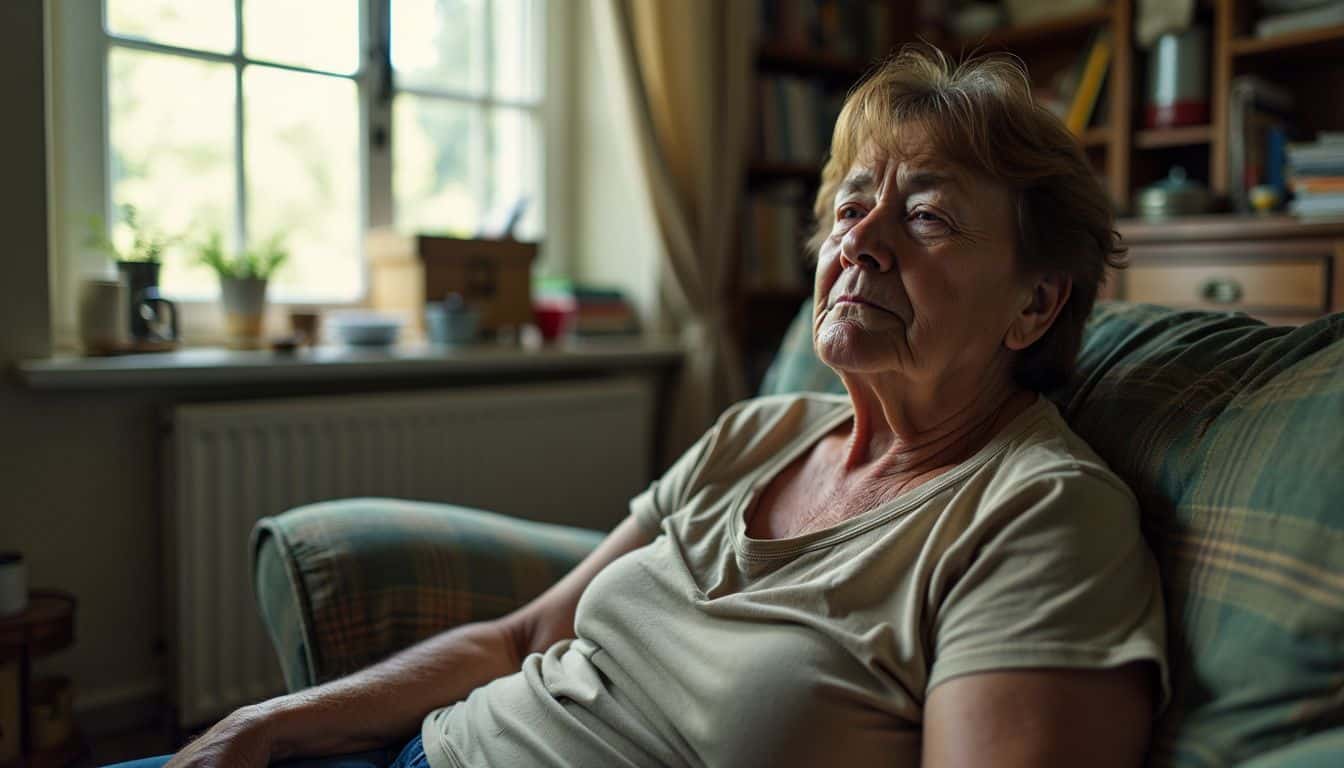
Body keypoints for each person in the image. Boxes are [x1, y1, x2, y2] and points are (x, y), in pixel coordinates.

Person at [111, 45, 1167, 768]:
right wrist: (268, 723)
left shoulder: (1038, 518)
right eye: (852, 204)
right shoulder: (760, 433)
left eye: (927, 215)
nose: (861, 240)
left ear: (1035, 303)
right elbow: (523, 637)